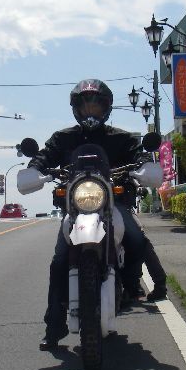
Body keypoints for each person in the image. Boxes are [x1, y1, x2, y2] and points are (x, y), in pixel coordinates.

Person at [26, 79, 168, 351]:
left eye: (96, 105)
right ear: (76, 109)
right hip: (77, 207)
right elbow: (44, 157)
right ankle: (54, 327)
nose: (90, 110)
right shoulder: (63, 138)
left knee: (136, 239)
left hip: (113, 203)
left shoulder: (121, 138)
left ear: (106, 108)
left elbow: (138, 155)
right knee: (59, 261)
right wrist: (35, 169)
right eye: (85, 105)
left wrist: (142, 166)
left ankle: (132, 284)